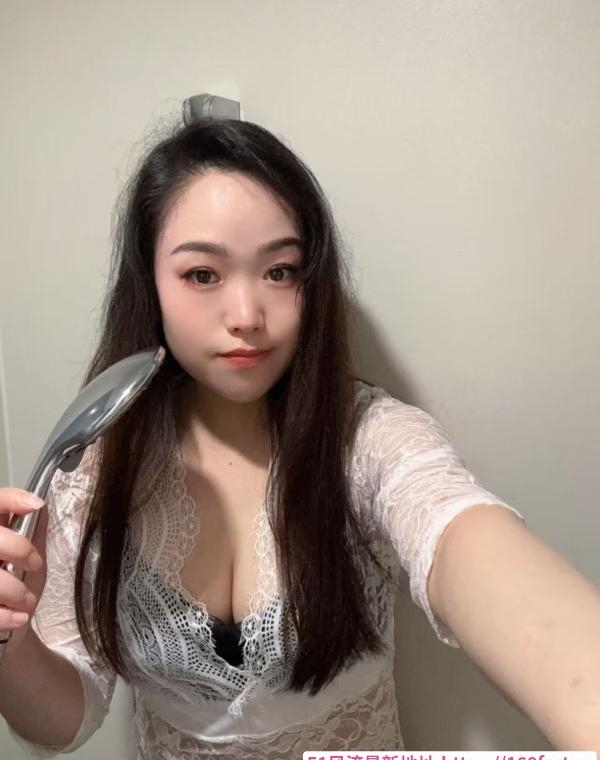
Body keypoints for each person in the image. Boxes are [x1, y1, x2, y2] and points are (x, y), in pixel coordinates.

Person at [0, 118, 599, 758]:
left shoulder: (369, 440)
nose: (246, 316)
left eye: (280, 271)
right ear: (150, 285)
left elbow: (464, 541)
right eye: (202, 275)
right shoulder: (92, 469)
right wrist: (11, 639)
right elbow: (60, 723)